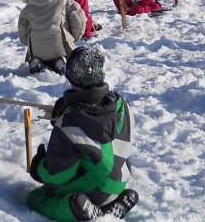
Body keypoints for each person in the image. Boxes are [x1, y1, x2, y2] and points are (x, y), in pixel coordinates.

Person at [27, 47, 137, 221]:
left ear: (71, 78)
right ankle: (112, 203)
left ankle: (78, 208)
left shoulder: (70, 123)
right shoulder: (121, 104)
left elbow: (58, 175)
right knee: (102, 160)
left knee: (37, 198)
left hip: (91, 190)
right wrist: (69, 104)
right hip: (119, 178)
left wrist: (39, 167)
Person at [19, 0, 88, 75]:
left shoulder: (28, 8)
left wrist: (30, 42)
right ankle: (62, 61)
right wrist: (73, 37)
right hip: (61, 45)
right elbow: (79, 21)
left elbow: (22, 32)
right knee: (70, 56)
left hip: (37, 49)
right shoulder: (66, 1)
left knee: (40, 54)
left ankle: (38, 62)